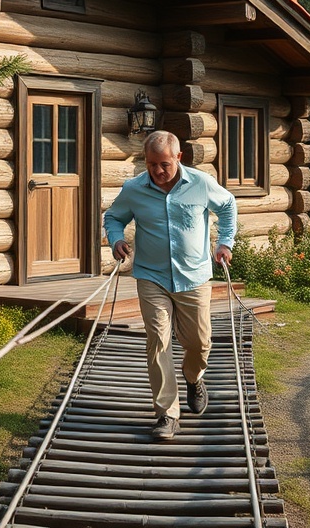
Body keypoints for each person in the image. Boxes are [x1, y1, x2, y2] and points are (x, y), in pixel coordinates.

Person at [103, 130, 236, 440]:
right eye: (151, 164)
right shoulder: (134, 189)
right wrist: (117, 239)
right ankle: (167, 414)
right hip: (152, 276)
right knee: (158, 341)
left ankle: (194, 377)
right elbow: (113, 217)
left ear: (178, 158)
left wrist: (225, 242)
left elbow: (228, 206)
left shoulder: (201, 184)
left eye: (164, 164)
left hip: (194, 277)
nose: (158, 171)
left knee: (199, 343)